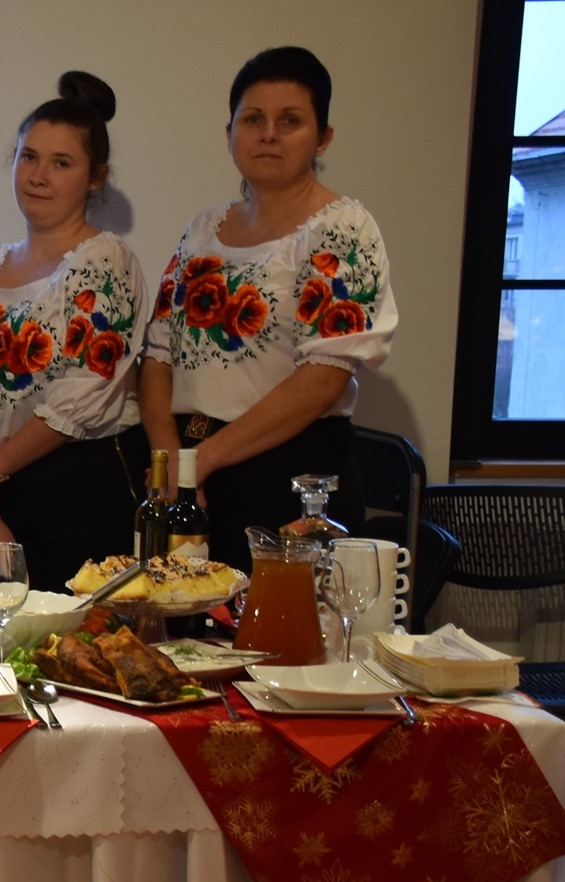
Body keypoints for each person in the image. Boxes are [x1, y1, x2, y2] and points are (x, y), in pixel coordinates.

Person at [138, 46, 397, 569]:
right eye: (253, 119)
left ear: (322, 137)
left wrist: (200, 463)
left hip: (291, 477)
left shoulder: (342, 229)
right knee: (184, 620)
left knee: (276, 623)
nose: (269, 134)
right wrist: (170, 466)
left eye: (290, 120)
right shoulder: (203, 230)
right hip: (189, 475)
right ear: (229, 132)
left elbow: (323, 377)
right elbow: (158, 355)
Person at [0, 72, 146, 593]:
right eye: (29, 157)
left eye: (61, 163)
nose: (38, 176)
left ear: (96, 176)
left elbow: (84, 395)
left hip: (82, 489)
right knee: (2, 636)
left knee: (81, 638)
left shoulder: (104, 261)